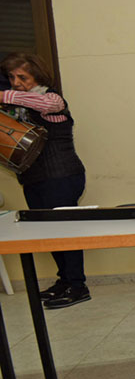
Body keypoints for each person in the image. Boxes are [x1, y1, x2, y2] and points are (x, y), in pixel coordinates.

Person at [1, 53, 89, 308]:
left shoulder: (52, 99)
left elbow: (45, 104)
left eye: (22, 77)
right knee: (48, 233)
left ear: (37, 76)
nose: (16, 83)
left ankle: (78, 286)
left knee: (66, 232)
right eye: (11, 77)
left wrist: (4, 95)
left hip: (61, 177)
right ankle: (65, 280)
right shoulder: (17, 106)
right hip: (34, 179)